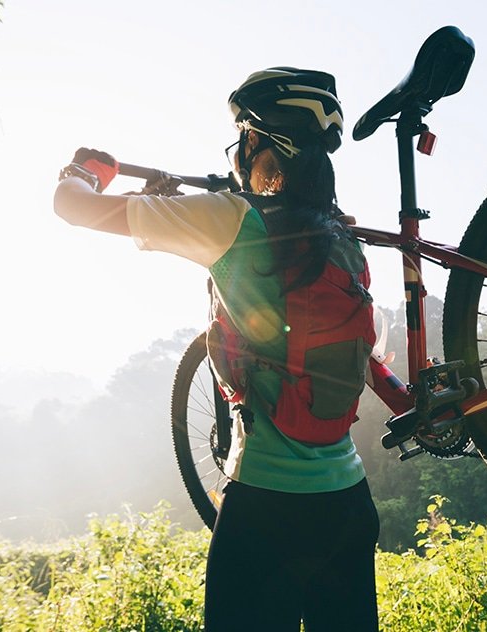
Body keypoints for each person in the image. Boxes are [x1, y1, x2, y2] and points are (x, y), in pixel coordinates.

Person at [53, 67, 380, 631]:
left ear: (259, 142)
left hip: (265, 507)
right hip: (349, 504)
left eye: (243, 138)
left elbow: (71, 206)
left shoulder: (230, 217)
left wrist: (84, 171)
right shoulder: (340, 235)